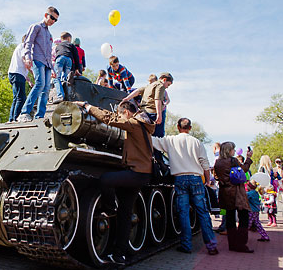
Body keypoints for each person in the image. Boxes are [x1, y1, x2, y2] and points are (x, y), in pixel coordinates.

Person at [82, 99, 154, 268]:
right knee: (125, 214)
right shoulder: (145, 125)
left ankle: (109, 208)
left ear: (127, 113)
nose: (121, 116)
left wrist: (87, 107)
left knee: (106, 179)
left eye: (122, 113)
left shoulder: (135, 123)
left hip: (136, 173)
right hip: (141, 174)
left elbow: (110, 119)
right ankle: (119, 254)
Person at [154, 117, 218, 255]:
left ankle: (186, 246)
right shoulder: (197, 142)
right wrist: (207, 180)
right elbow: (205, 163)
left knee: (183, 213)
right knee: (202, 212)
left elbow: (153, 141)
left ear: (178, 127)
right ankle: (211, 246)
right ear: (190, 128)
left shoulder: (170, 140)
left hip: (180, 178)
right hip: (196, 178)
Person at [18, 7, 59, 120]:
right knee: (39, 84)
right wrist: (27, 58)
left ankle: (40, 116)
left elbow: (49, 54)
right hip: (37, 60)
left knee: (46, 90)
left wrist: (52, 69)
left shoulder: (49, 35)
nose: (53, 21)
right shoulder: (36, 27)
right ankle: (24, 112)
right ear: (46, 15)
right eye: (52, 18)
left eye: (56, 20)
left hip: (47, 64)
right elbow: (28, 42)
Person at [214, 141, 253, 253]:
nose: (234, 151)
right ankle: (241, 244)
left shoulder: (218, 162)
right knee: (243, 216)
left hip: (224, 192)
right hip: (236, 191)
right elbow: (243, 170)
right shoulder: (233, 161)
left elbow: (217, 177)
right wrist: (248, 159)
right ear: (229, 150)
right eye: (233, 149)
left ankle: (232, 243)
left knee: (230, 217)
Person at [7, 36, 32, 122]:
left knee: (17, 97)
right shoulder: (23, 46)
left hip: (15, 73)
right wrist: (34, 72)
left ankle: (12, 118)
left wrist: (29, 81)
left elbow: (22, 67)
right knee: (21, 98)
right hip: (17, 74)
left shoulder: (19, 47)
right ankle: (16, 118)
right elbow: (25, 61)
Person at [52, 32, 82, 100]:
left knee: (57, 78)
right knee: (65, 78)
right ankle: (67, 95)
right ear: (68, 38)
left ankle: (60, 96)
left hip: (60, 59)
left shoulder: (58, 46)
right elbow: (76, 57)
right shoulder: (71, 45)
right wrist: (77, 69)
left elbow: (55, 56)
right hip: (69, 60)